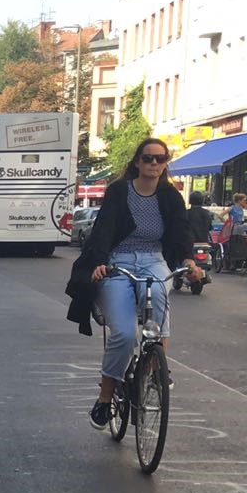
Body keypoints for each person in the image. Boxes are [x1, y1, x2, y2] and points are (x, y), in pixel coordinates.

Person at [80, 138, 202, 429]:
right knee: (123, 334)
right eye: (148, 158)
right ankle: (105, 397)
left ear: (165, 162)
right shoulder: (119, 191)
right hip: (119, 260)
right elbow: (104, 227)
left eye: (160, 159)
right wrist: (99, 261)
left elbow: (181, 230)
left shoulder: (170, 196)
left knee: (160, 293)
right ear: (137, 161)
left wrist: (190, 261)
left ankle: (155, 366)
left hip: (153, 258)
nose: (154, 164)